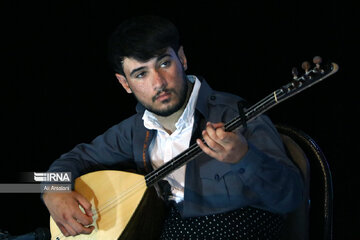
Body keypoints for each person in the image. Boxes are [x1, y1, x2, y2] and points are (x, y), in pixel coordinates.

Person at [42, 15, 304, 239]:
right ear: (124, 83)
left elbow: (292, 196)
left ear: (182, 59)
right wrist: (51, 191)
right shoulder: (134, 131)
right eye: (141, 74)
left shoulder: (237, 114)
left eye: (164, 63)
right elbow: (73, 159)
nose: (158, 83)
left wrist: (245, 158)